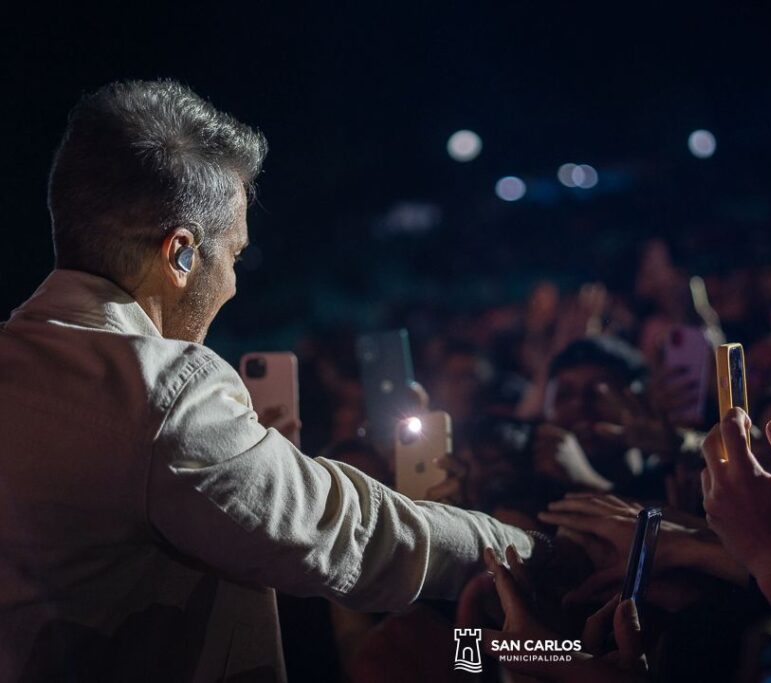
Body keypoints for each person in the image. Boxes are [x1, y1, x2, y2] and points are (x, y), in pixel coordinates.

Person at [0, 80, 542, 682]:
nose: (233, 284)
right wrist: (528, 552)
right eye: (233, 255)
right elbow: (351, 537)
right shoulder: (164, 391)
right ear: (180, 254)